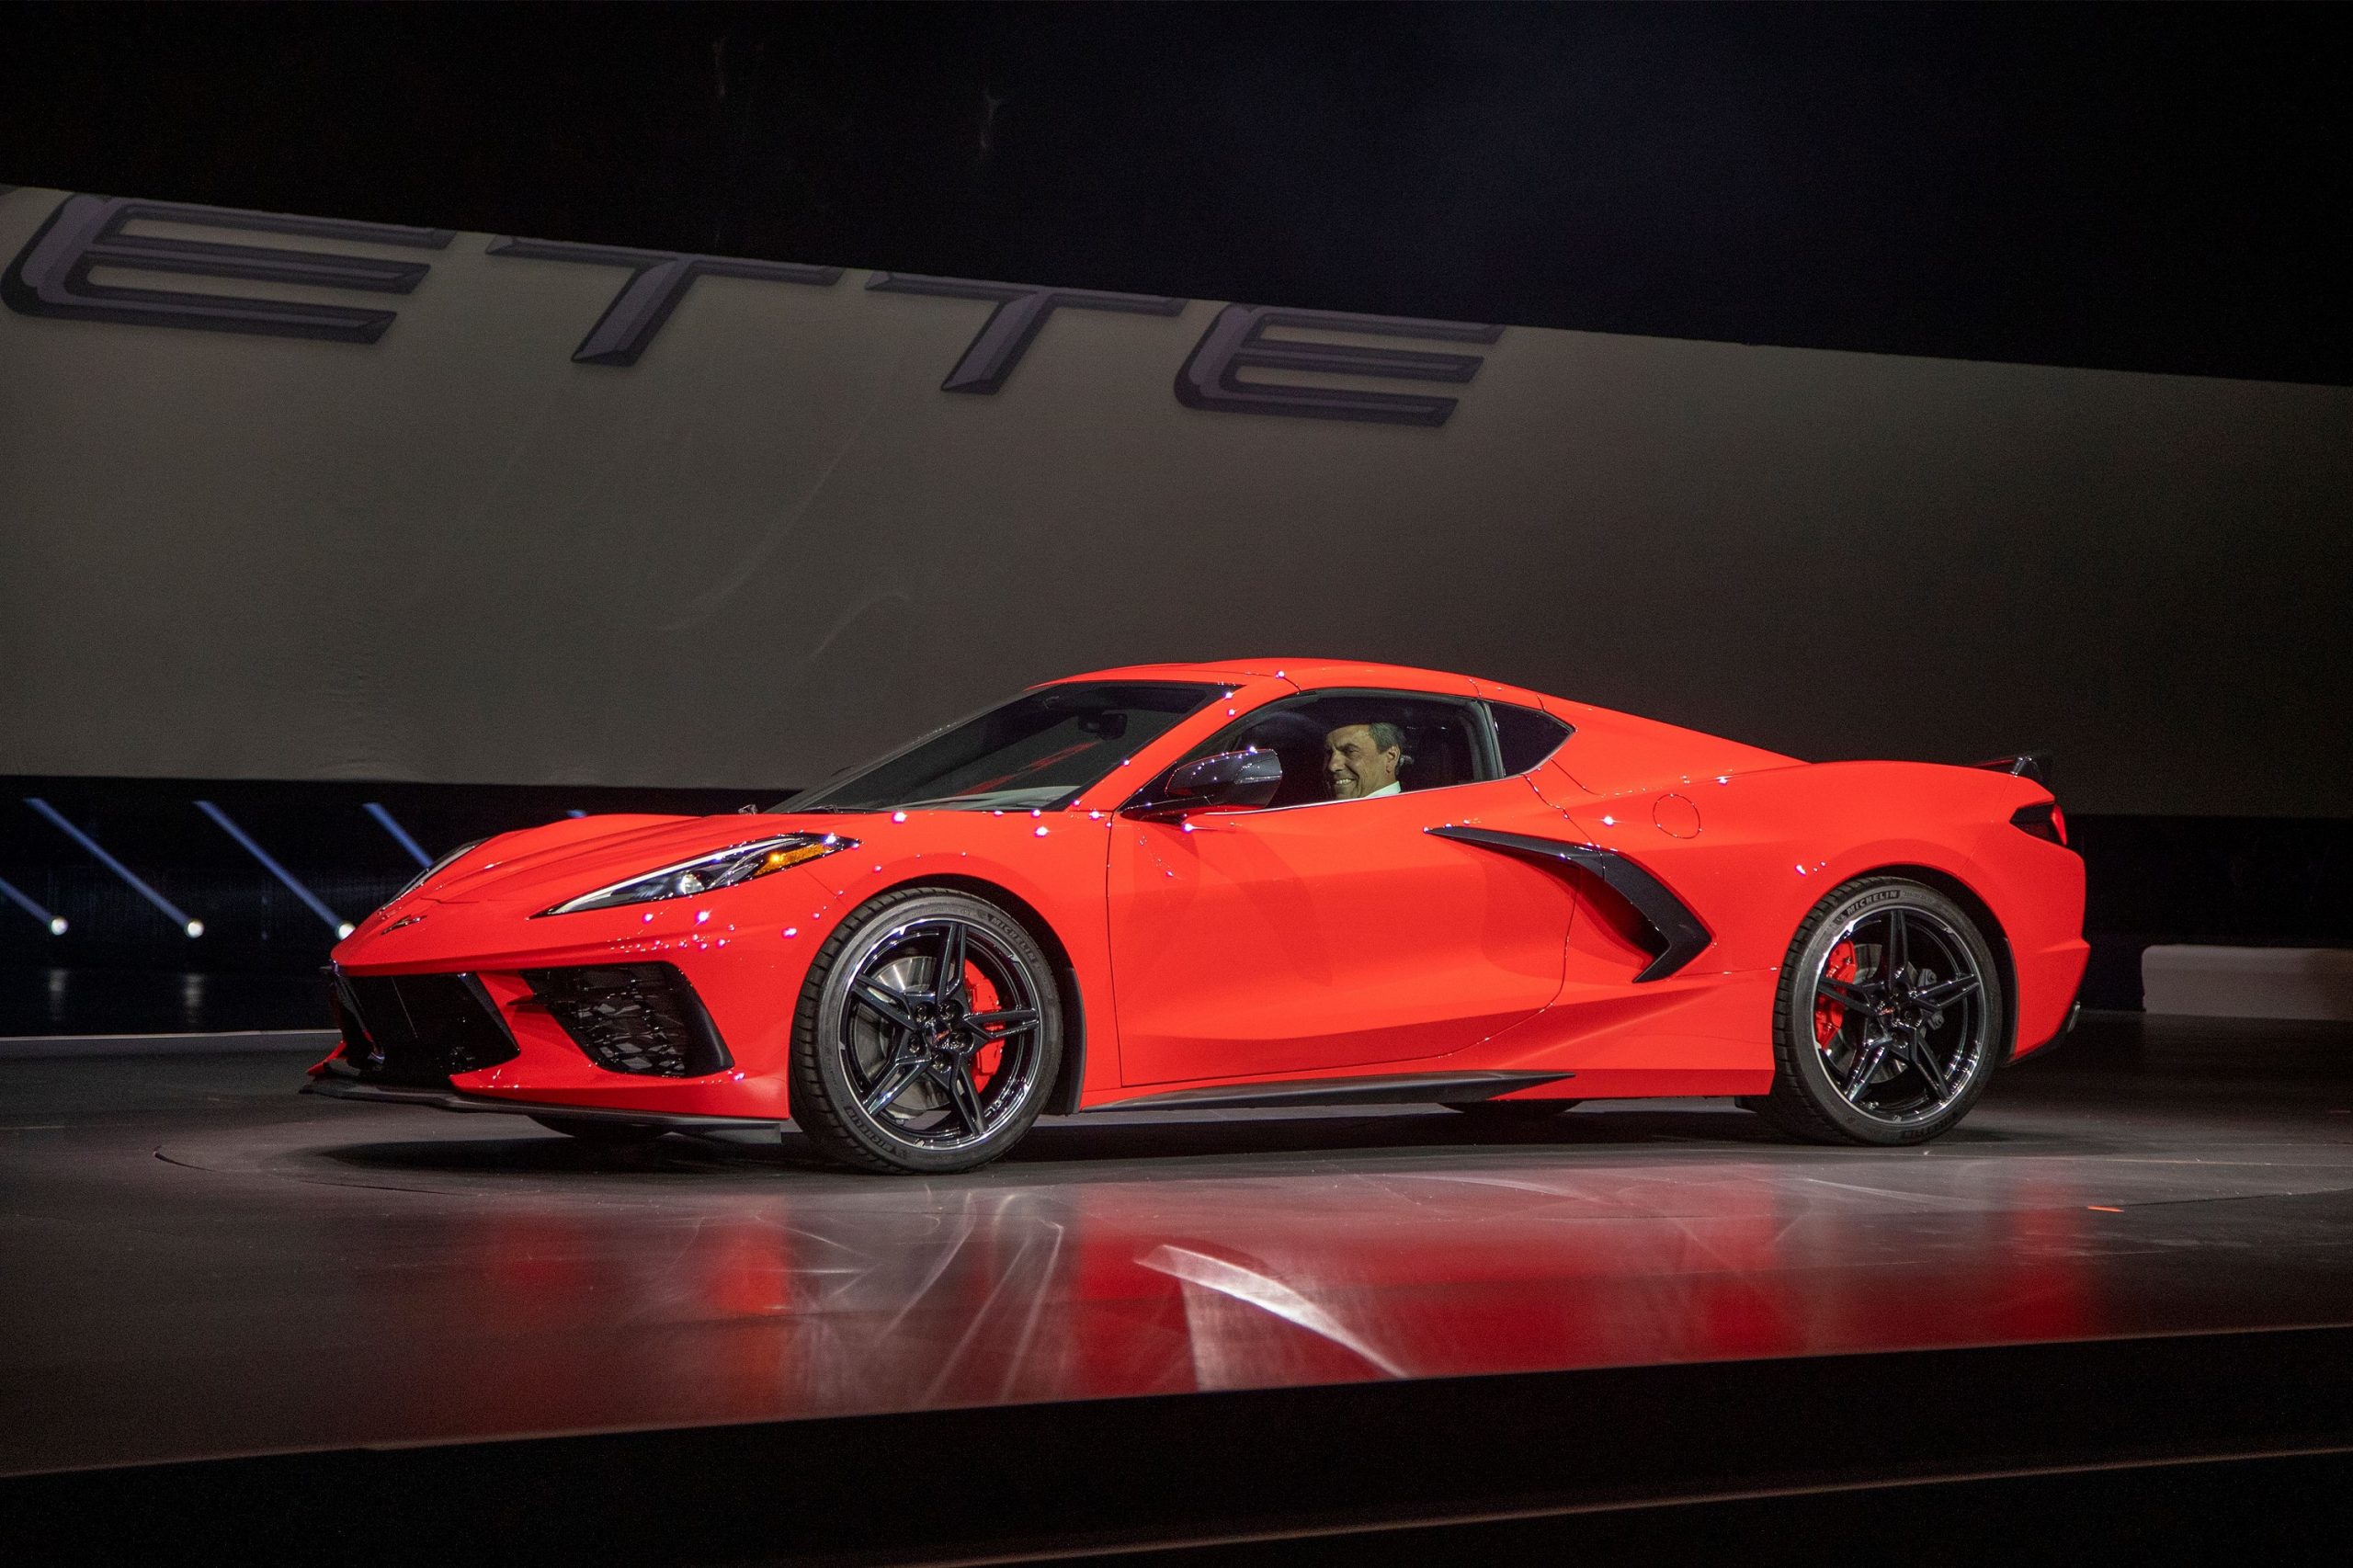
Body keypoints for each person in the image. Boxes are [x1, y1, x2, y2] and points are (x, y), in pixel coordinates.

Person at [1324, 721, 1404, 800]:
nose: (1332, 766)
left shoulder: (1410, 811)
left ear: (1391, 757)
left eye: (1350, 751)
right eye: (1329, 753)